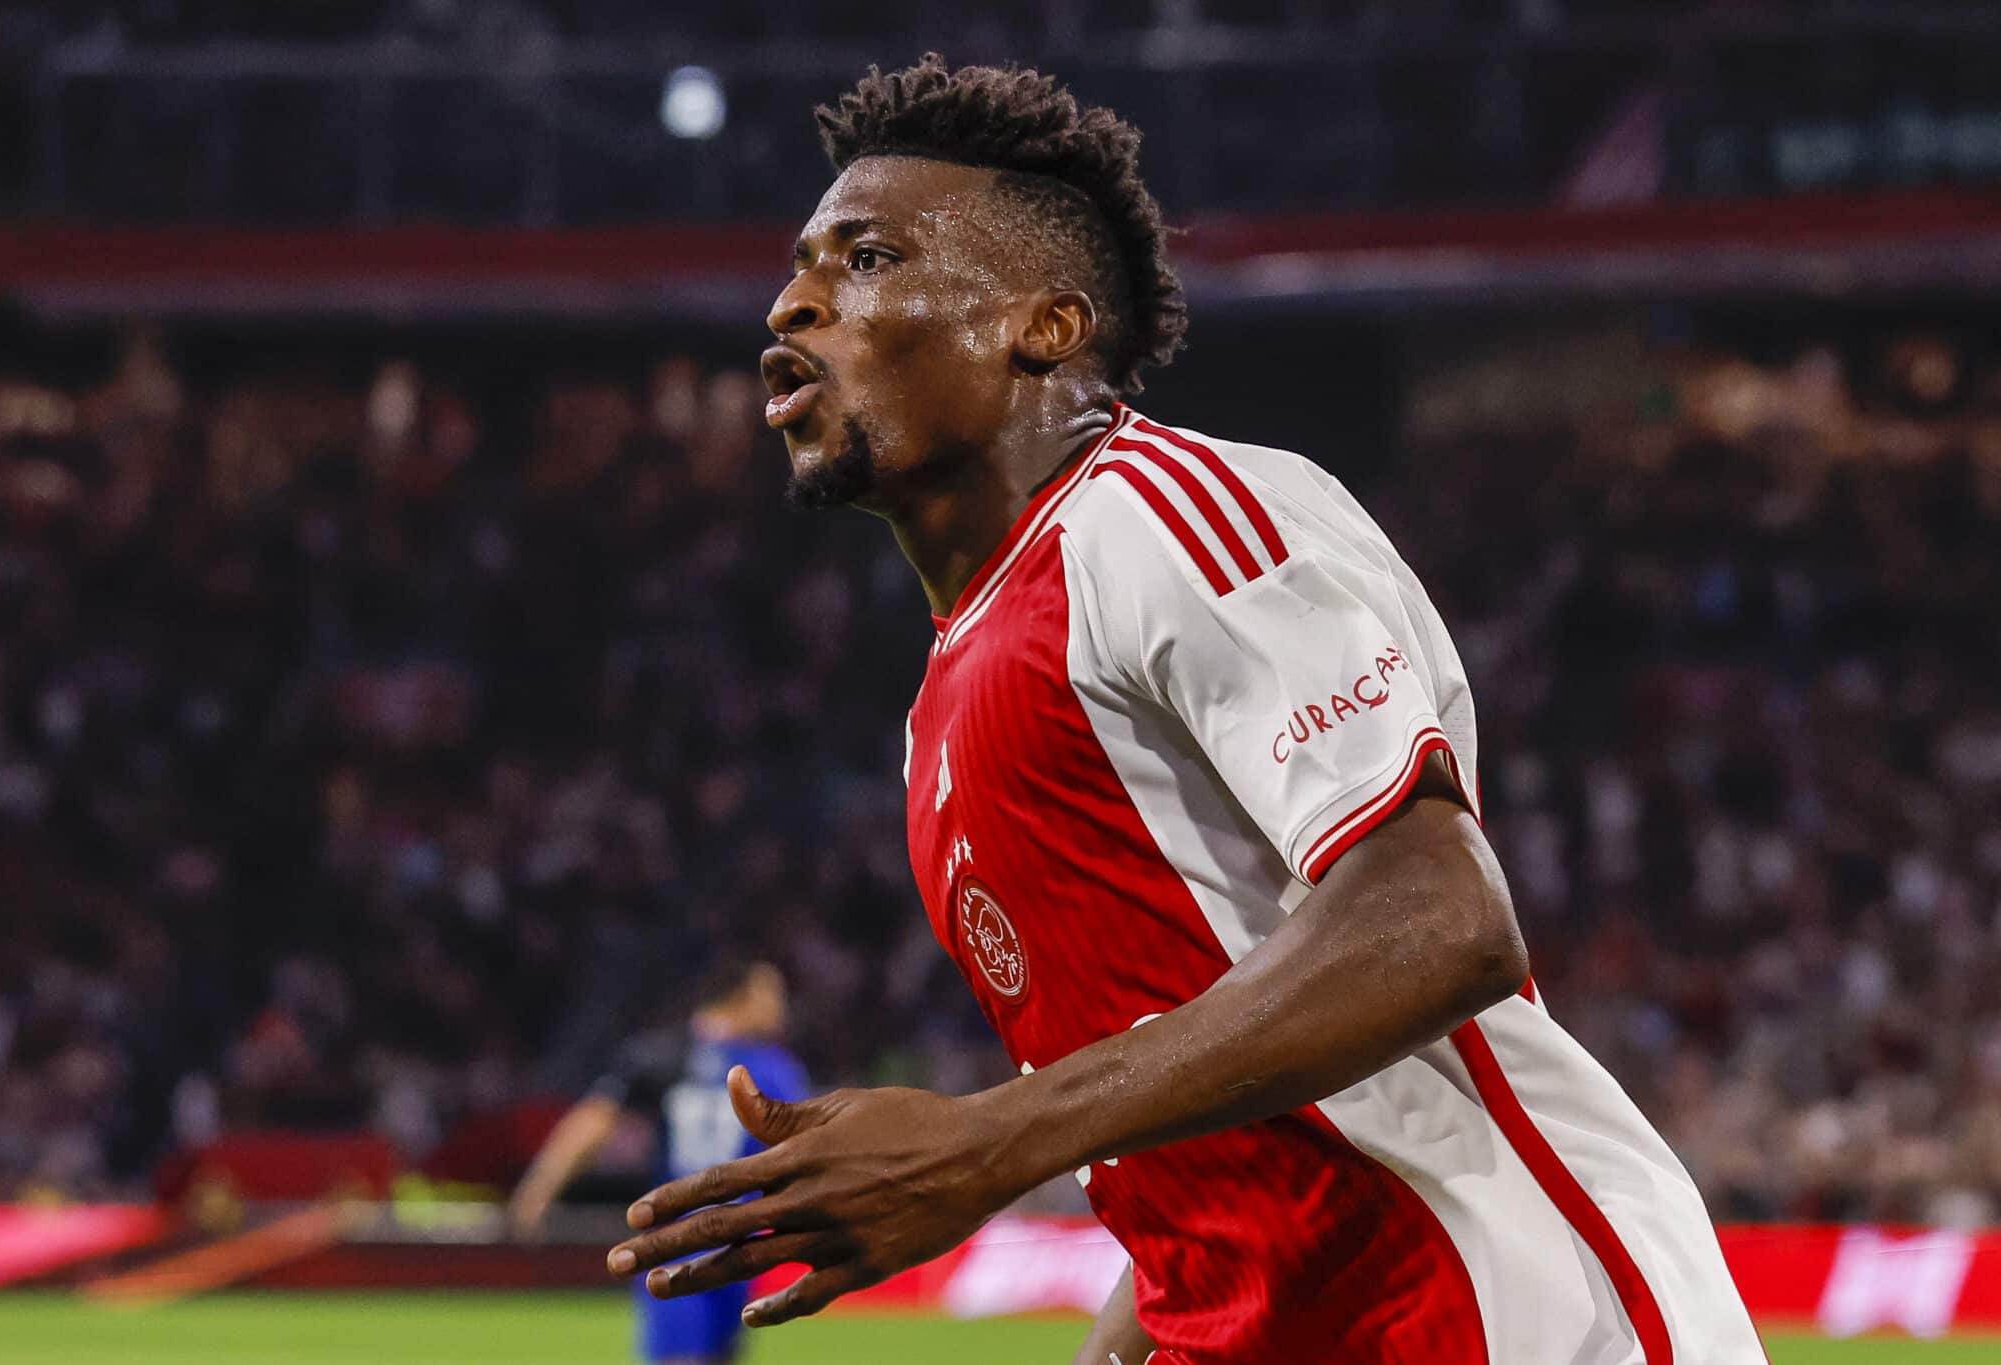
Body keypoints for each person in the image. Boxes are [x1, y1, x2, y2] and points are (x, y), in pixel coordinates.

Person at [606, 54, 1764, 1365]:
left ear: (1044, 327)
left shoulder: (1156, 517)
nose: (793, 302)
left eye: (865, 259)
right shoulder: (944, 710)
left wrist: (982, 1143)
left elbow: (1442, 917)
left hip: (1513, 1321)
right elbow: (1182, 1142)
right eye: (800, 267)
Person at [516, 961, 806, 1365]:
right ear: (739, 996)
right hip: (724, 1240)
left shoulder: (661, 1053)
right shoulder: (775, 1070)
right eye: (771, 994)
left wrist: (539, 1188)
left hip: (696, 1241)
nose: (781, 1007)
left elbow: (593, 1121)